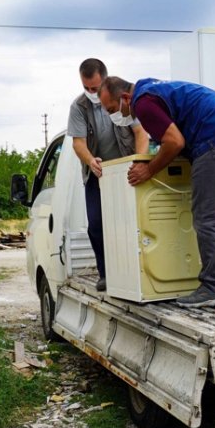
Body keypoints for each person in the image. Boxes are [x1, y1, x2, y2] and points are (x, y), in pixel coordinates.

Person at [98, 76, 215, 308]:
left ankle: (214, 287)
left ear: (125, 98)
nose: (116, 115)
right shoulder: (156, 86)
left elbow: (174, 141)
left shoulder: (142, 102)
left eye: (113, 109)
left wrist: (150, 170)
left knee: (207, 215)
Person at [67, 59, 149, 291]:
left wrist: (139, 161)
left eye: (95, 88)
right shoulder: (78, 107)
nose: (92, 93)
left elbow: (141, 133)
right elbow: (78, 143)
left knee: (134, 221)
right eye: (87, 88)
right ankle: (106, 273)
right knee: (96, 224)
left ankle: (139, 271)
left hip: (128, 168)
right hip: (99, 172)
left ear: (105, 79)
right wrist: (90, 161)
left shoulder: (122, 97)